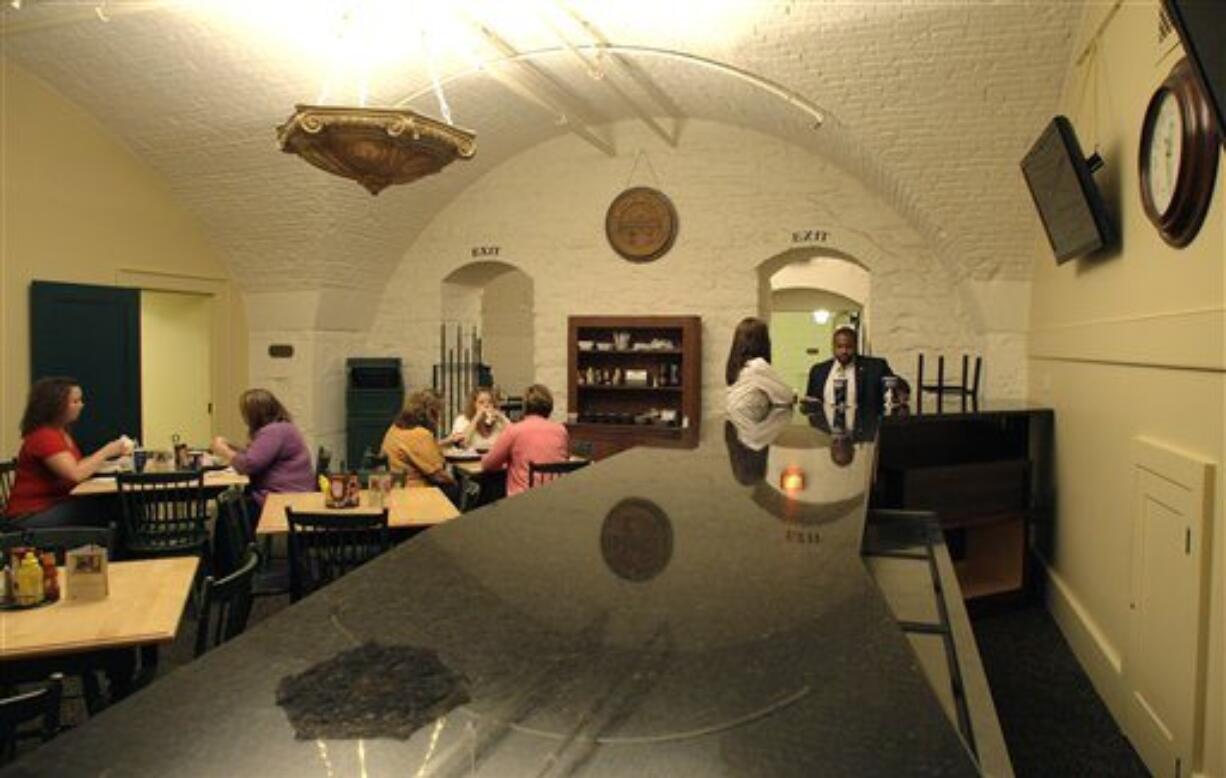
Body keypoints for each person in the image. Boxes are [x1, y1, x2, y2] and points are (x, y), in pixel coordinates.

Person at [3, 377, 130, 528]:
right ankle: (127, 551)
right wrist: (107, 451)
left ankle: (124, 550)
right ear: (55, 406)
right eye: (75, 402)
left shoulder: (60, 431)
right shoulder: (44, 436)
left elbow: (77, 466)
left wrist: (109, 461)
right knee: (117, 507)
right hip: (29, 516)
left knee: (118, 504)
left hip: (53, 505)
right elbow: (75, 474)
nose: (81, 405)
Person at [211, 389, 315, 516]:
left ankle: (240, 537)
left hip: (282, 499)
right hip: (292, 494)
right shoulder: (283, 427)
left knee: (229, 509)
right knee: (232, 503)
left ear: (256, 414)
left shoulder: (274, 431)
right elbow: (258, 454)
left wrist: (223, 451)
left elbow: (249, 465)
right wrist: (232, 447)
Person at [480, 384, 569, 496]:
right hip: (554, 498)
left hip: (523, 502)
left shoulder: (515, 430)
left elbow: (489, 464)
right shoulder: (561, 431)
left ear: (525, 406)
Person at [804, 325, 908, 409]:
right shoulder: (818, 371)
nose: (844, 351)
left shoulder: (875, 367)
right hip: (826, 431)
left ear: (856, 346)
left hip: (863, 430)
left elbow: (899, 385)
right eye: (839, 347)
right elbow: (809, 402)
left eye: (849, 347)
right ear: (833, 346)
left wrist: (900, 392)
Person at [380, 389, 459, 500]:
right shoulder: (420, 434)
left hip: (394, 486)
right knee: (458, 488)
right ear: (432, 412)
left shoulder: (395, 428)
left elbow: (418, 454)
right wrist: (454, 480)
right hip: (414, 491)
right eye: (440, 412)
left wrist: (445, 442)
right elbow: (438, 475)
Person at [725, 317, 796, 416]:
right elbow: (787, 397)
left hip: (735, 418)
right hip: (752, 422)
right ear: (763, 341)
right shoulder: (758, 366)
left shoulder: (737, 365)